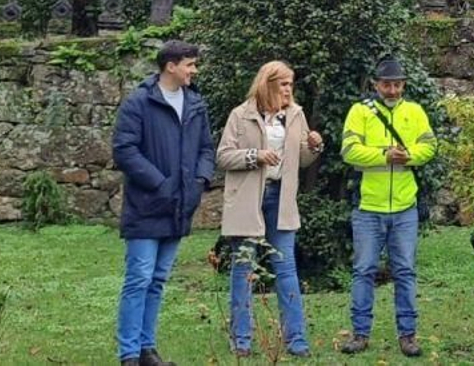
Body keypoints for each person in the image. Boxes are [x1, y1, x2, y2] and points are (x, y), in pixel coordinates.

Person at [111, 40, 215, 366]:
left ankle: (147, 349)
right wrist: (159, 182)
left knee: (157, 280)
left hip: (180, 207)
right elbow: (124, 150)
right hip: (146, 206)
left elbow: (206, 149)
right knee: (139, 278)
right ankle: (129, 354)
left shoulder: (195, 104)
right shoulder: (139, 102)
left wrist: (199, 182)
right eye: (190, 64)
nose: (194, 71)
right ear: (171, 66)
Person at [216, 60, 325, 358]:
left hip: (281, 198)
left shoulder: (296, 114)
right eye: (284, 84)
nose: (289, 90)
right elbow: (223, 156)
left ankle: (296, 340)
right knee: (243, 268)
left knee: (286, 267)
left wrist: (314, 146)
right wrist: (255, 156)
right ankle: (241, 340)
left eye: (291, 84)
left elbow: (301, 160)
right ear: (268, 84)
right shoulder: (241, 114)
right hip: (248, 199)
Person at [339, 57, 437, 357]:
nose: (392, 90)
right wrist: (384, 155)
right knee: (363, 270)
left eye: (396, 85)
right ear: (375, 84)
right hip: (368, 207)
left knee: (405, 271)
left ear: (403, 84)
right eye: (386, 85)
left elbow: (430, 145)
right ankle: (359, 334)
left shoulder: (415, 112)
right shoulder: (360, 112)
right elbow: (349, 151)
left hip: (405, 207)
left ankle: (408, 336)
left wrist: (410, 156)